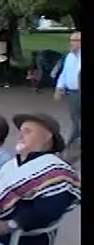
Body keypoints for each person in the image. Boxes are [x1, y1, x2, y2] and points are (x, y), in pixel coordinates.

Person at [0, 113, 81, 245]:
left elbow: (49, 210)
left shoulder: (56, 170)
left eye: (27, 131)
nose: (20, 135)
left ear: (47, 137)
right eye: (20, 131)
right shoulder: (11, 165)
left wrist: (9, 225)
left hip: (23, 239)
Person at [53, 31, 81, 163]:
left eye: (75, 41)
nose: (72, 43)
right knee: (75, 119)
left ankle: (70, 150)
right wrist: (59, 87)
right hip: (73, 94)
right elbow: (64, 73)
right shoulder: (70, 57)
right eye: (71, 40)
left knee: (77, 123)